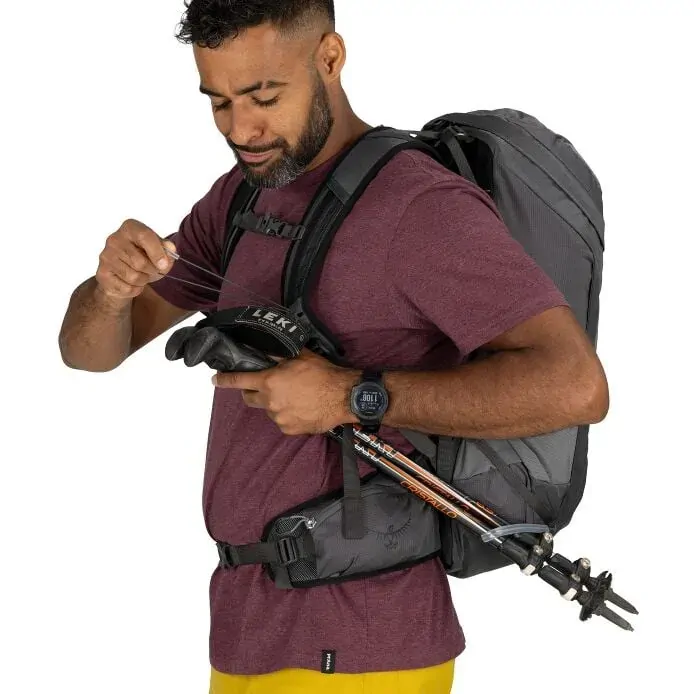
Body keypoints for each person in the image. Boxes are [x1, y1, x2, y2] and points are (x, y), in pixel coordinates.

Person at [58, 1, 610, 692]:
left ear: (329, 58)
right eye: (219, 102)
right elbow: (89, 352)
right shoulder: (242, 200)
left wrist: (353, 396)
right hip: (247, 631)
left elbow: (576, 386)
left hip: (364, 642)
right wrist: (110, 292)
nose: (241, 129)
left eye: (264, 97)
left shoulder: (419, 205)